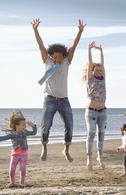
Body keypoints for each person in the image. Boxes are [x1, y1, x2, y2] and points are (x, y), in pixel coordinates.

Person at [31, 18, 86, 162]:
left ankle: (66, 150)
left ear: (63, 56)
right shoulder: (47, 61)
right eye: (55, 56)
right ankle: (44, 147)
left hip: (64, 100)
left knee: (69, 125)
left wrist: (79, 32)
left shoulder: (66, 63)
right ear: (51, 56)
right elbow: (40, 46)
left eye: (60, 56)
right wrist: (35, 30)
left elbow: (73, 47)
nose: (57, 59)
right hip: (49, 99)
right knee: (46, 125)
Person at [0, 110, 37, 188]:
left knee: (23, 168)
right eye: (23, 125)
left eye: (25, 125)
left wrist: (34, 126)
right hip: (15, 155)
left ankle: (22, 183)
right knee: (12, 169)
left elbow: (34, 133)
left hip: (24, 154)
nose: (25, 127)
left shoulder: (25, 132)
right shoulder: (12, 134)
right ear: (17, 126)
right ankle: (12, 182)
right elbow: (3, 138)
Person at [82, 41, 107, 170]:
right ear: (91, 72)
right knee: (91, 135)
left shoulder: (103, 78)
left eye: (99, 70)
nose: (98, 71)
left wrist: (101, 51)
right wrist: (90, 49)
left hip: (103, 111)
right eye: (96, 70)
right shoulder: (90, 79)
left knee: (101, 135)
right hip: (91, 111)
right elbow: (90, 62)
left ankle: (100, 157)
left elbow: (102, 64)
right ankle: (89, 159)